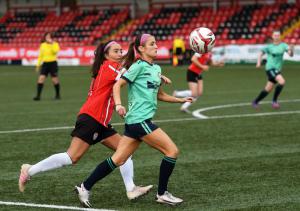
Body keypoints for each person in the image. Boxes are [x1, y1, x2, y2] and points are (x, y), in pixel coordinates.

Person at [19, 40, 152, 201]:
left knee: (124, 152)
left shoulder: (109, 67)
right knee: (72, 157)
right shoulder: (109, 66)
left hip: (101, 122)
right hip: (92, 118)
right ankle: (29, 170)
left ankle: (131, 189)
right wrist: (140, 58)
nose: (120, 53)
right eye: (116, 51)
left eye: (121, 50)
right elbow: (129, 74)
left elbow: (129, 72)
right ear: (106, 54)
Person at [74, 34, 193, 207]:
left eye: (156, 42)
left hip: (135, 123)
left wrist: (180, 100)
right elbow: (117, 85)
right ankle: (162, 193)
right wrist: (119, 105)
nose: (156, 46)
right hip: (140, 121)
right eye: (152, 43)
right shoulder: (137, 66)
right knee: (172, 151)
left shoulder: (156, 69)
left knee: (118, 159)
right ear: (141, 49)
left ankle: (85, 186)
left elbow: (160, 95)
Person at [252, 30, 294, 109]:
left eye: (278, 35)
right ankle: (274, 101)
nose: (276, 37)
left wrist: (291, 50)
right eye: (275, 35)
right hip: (270, 68)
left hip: (277, 69)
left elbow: (290, 54)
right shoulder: (269, 47)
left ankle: (255, 101)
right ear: (272, 36)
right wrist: (258, 62)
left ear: (280, 36)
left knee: (268, 88)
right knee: (282, 81)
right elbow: (260, 53)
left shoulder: (284, 45)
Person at [33, 32, 61, 101]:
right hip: (45, 64)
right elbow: (40, 56)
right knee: (41, 79)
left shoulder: (55, 44)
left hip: (53, 63)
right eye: (47, 36)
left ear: (51, 37)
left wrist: (51, 44)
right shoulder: (42, 45)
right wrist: (38, 65)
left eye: (49, 36)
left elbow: (55, 51)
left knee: (54, 80)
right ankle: (38, 96)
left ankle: (57, 95)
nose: (48, 38)